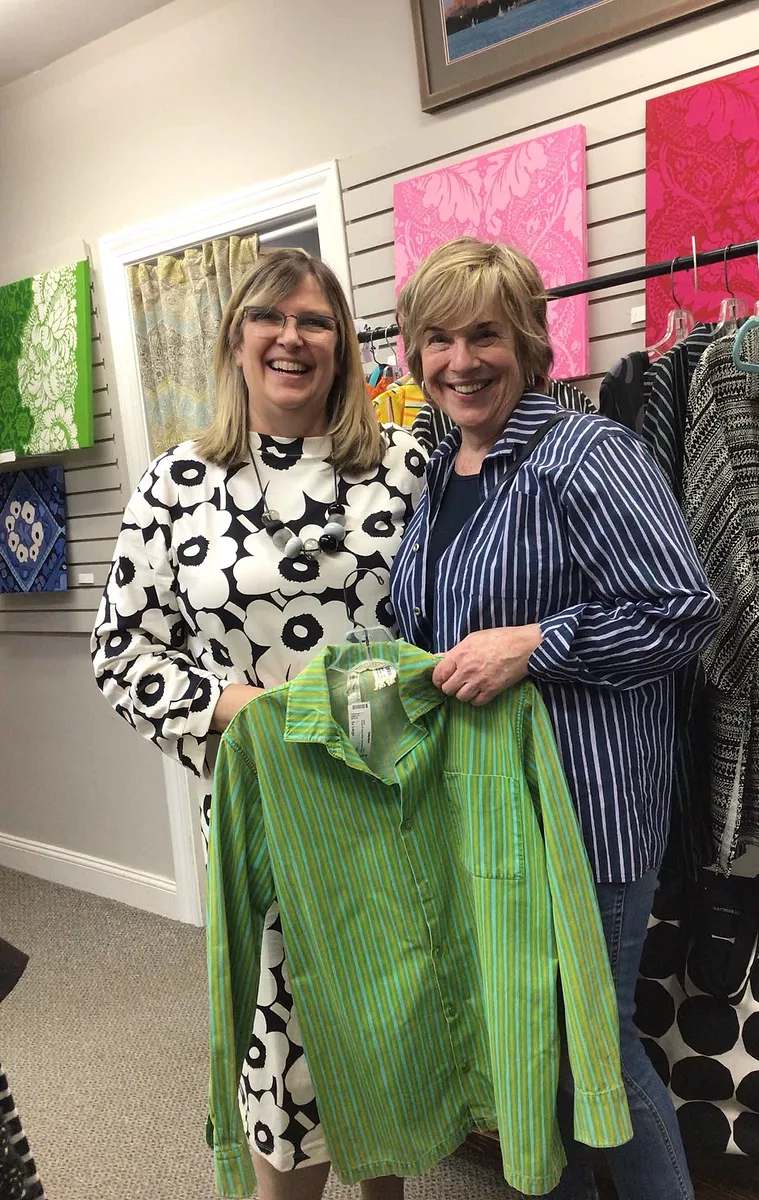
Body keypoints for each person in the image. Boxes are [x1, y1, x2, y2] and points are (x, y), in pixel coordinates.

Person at [389, 238, 721, 1200]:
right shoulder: (442, 470)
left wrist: (536, 643)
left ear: (529, 343)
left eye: (484, 335)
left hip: (587, 812)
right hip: (489, 811)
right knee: (535, 1045)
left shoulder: (588, 454)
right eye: (439, 339)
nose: (461, 362)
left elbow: (682, 613)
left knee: (591, 1048)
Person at [91, 248, 426, 1200]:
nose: (292, 337)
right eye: (270, 318)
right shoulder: (176, 483)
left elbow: (445, 620)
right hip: (260, 808)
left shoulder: (405, 466)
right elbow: (122, 651)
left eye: (315, 320)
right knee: (286, 1046)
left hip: (390, 793)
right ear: (235, 340)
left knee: (389, 1023)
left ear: (344, 344)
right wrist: (246, 707)